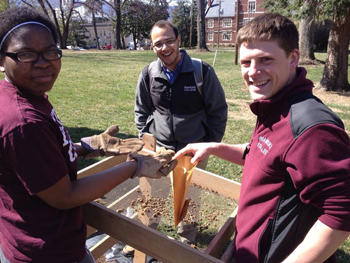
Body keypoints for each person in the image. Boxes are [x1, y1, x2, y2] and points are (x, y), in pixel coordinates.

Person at [0, 6, 177, 263]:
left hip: (36, 239)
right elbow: (65, 195)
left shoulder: (27, 97)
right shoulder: (23, 121)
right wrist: (134, 167)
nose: (43, 62)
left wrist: (90, 145)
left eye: (50, 52)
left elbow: (45, 153)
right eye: (26, 54)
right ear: (2, 60)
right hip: (48, 252)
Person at [174, 13, 350, 263]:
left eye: (265, 60)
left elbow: (342, 213)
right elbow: (264, 155)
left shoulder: (312, 127)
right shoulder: (275, 104)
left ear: (293, 59)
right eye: (246, 63)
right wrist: (214, 147)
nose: (253, 72)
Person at [134, 20, 228, 168]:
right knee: (159, 190)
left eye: (169, 41)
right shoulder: (148, 74)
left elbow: (218, 111)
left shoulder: (202, 71)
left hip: (194, 150)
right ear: (152, 47)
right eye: (158, 44)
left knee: (190, 191)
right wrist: (145, 139)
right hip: (159, 150)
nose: (165, 48)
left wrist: (209, 145)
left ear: (178, 40)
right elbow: (141, 109)